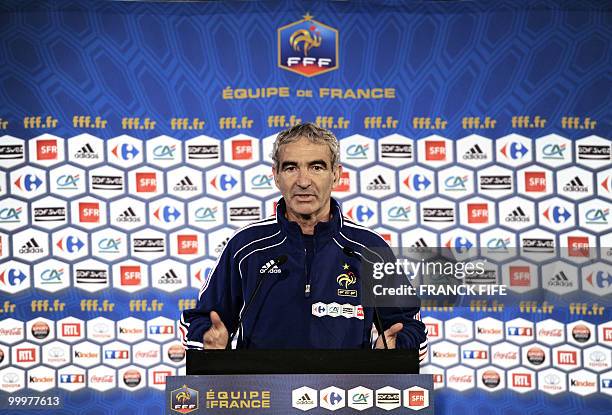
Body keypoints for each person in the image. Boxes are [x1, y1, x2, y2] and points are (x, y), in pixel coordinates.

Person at [180, 123, 427, 356]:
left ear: (336, 175)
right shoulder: (245, 247)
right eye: (291, 167)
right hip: (263, 397)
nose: (303, 181)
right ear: (276, 176)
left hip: (349, 397)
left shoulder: (369, 249)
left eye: (316, 167)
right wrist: (206, 339)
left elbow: (411, 328)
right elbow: (201, 319)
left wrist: (397, 347)